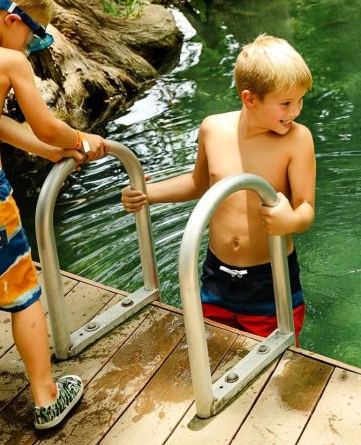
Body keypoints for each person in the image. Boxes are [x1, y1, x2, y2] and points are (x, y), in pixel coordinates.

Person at [0, 0, 108, 430]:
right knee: (23, 294)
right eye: (33, 34)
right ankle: (47, 397)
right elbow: (47, 123)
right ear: (12, 19)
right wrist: (76, 141)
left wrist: (44, 150)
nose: (31, 44)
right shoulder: (8, 60)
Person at [122, 34, 315, 342]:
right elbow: (199, 183)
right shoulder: (213, 129)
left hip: (270, 276)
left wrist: (291, 220)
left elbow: (306, 207)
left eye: (300, 100)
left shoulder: (297, 140)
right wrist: (148, 194)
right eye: (286, 103)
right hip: (217, 275)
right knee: (211, 350)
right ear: (250, 98)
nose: (296, 111)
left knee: (280, 359)